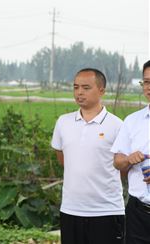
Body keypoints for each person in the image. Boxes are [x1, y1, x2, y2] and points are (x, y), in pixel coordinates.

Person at [51, 68, 124, 244]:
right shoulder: (63, 122)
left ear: (101, 91)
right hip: (71, 209)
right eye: (76, 87)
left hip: (106, 211)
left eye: (86, 87)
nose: (79, 92)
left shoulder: (117, 125)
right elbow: (63, 159)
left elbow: (123, 167)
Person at [112, 59, 150, 244]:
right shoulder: (132, 121)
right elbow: (117, 161)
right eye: (147, 82)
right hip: (138, 212)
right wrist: (128, 159)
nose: (149, 87)